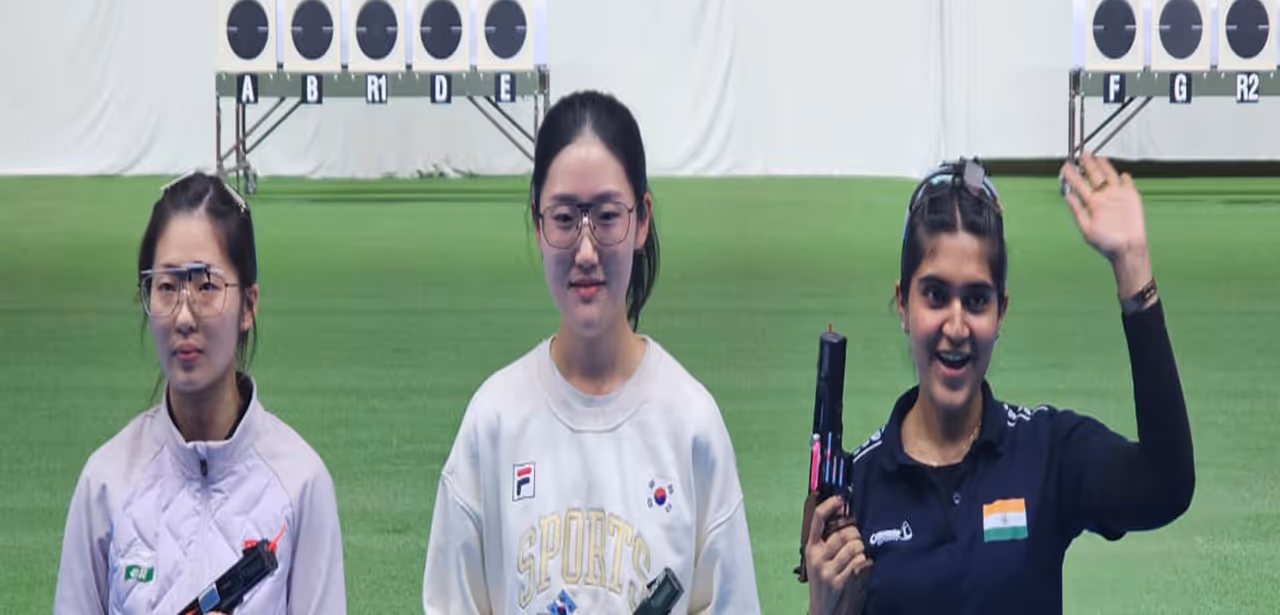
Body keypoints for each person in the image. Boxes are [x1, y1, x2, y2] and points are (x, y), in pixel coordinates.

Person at [802, 152, 1195, 615]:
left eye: (976, 300)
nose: (956, 324)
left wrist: (1133, 268)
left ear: (1000, 311)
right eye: (934, 295)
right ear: (903, 304)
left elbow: (1165, 487)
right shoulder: (856, 488)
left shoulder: (1047, 453)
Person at [422, 90, 761, 614]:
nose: (585, 250)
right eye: (563, 218)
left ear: (642, 220)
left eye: (606, 216)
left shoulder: (690, 424)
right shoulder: (493, 421)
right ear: (537, 223)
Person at [53, 172, 347, 615]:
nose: (184, 316)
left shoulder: (301, 485)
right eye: (167, 286)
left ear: (249, 305)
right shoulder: (106, 483)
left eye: (206, 285)